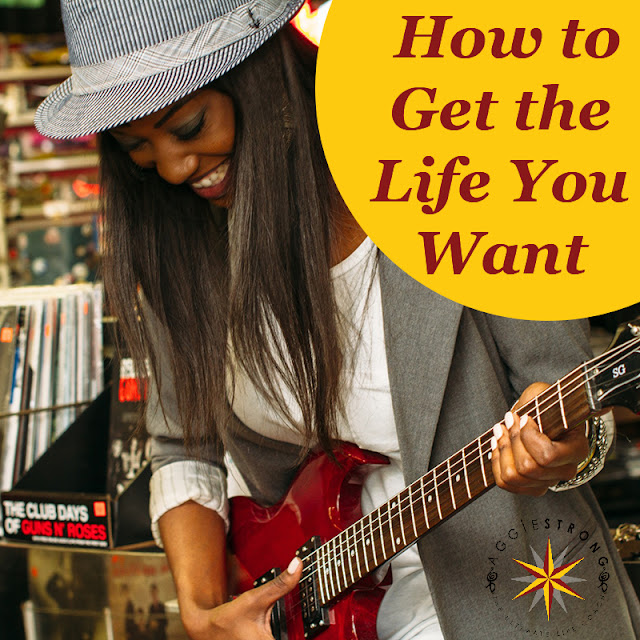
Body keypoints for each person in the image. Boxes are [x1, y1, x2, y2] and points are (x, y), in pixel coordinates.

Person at [36, 1, 640, 639]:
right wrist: (205, 612)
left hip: (516, 606)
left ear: (266, 79)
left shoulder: (456, 184)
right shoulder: (183, 249)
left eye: (188, 125)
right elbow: (184, 441)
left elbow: (573, 398)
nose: (174, 167)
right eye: (137, 148)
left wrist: (562, 449)